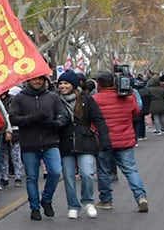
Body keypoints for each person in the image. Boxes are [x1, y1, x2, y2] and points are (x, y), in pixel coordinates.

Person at [7, 73, 70, 221]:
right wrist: (31, 119)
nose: (37, 81)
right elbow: (13, 118)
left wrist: (55, 124)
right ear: (28, 80)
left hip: (50, 141)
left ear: (45, 81)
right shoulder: (20, 98)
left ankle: (46, 199)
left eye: (40, 79)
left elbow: (63, 115)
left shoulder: (53, 97)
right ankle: (34, 207)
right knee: (32, 177)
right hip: (29, 143)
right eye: (34, 79)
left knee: (55, 172)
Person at [93, 72, 150, 212]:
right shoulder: (128, 97)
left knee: (103, 171)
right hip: (125, 139)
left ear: (98, 84)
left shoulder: (94, 99)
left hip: (103, 140)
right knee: (131, 170)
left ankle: (106, 200)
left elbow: (90, 119)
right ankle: (141, 197)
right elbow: (136, 113)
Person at [55, 72, 108, 219]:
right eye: (60, 84)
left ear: (73, 85)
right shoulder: (56, 100)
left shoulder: (86, 99)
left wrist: (104, 139)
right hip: (65, 142)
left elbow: (98, 119)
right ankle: (73, 205)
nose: (62, 86)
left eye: (66, 83)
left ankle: (88, 201)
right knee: (69, 176)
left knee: (87, 173)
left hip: (85, 141)